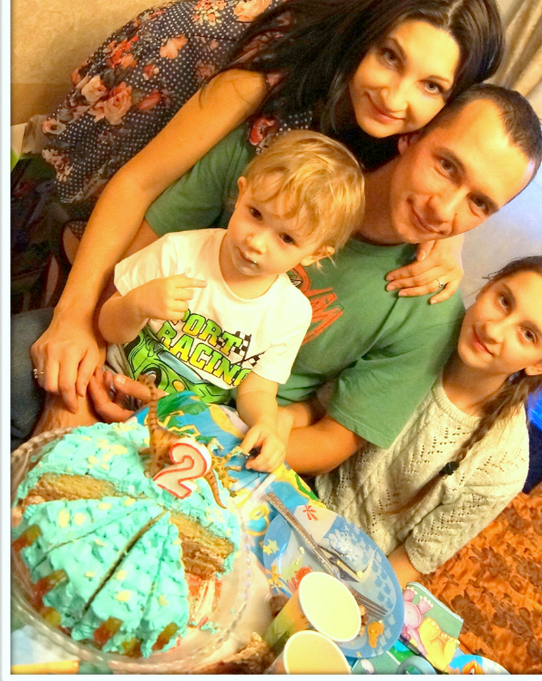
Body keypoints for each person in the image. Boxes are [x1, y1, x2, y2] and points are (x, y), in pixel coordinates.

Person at [19, 0, 505, 438]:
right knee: (73, 238)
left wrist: (451, 238)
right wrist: (76, 323)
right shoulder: (271, 74)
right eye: (390, 57)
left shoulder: (383, 126)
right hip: (164, 79)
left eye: (431, 86)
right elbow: (138, 183)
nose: (395, 98)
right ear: (367, 36)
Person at [80, 84, 542, 480]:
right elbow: (123, 271)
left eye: (479, 204)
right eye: (446, 166)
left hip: (217, 446)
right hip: (106, 360)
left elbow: (332, 441)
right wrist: (80, 371)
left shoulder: (429, 313)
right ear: (413, 135)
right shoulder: (280, 162)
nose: (443, 210)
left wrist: (214, 440)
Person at [310, 254, 542, 587]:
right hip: (296, 484)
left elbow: (412, 559)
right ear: (488, 284)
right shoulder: (418, 329)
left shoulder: (504, 466)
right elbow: (318, 404)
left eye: (528, 334)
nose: (493, 330)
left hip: (351, 570)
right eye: (504, 301)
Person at [98, 131, 365, 472]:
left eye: (286, 238)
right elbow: (107, 327)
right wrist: (136, 305)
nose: (256, 242)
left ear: (315, 254)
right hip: (110, 386)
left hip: (183, 429)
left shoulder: (290, 313)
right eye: (256, 214)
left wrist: (266, 424)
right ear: (241, 193)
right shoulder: (178, 252)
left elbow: (256, 390)